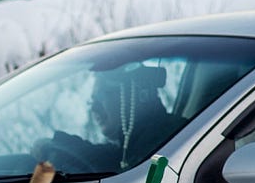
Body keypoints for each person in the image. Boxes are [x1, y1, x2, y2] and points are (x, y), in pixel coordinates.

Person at [37, 64, 181, 174]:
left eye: (100, 98)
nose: (94, 108)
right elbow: (104, 157)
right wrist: (55, 145)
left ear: (132, 95)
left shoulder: (167, 145)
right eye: (92, 101)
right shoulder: (133, 147)